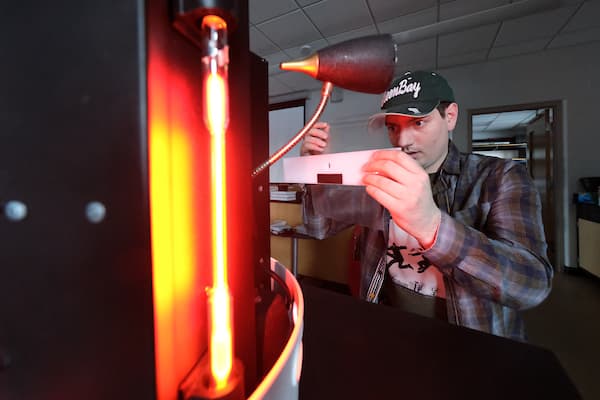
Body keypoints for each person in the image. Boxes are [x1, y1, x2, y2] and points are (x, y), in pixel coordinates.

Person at [300, 70, 553, 342]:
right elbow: (318, 228)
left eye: (418, 123)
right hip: (388, 328)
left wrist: (431, 225)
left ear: (450, 117)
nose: (402, 141)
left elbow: (530, 285)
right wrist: (313, 176)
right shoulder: (380, 177)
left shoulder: (499, 176)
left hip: (471, 343)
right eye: (393, 127)